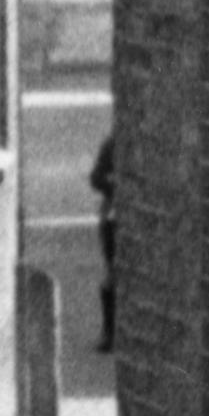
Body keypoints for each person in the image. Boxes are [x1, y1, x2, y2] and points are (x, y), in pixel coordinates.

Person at [89, 127, 116, 350]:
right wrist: (113, 184)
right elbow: (95, 178)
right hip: (113, 219)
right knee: (113, 273)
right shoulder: (111, 145)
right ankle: (109, 331)